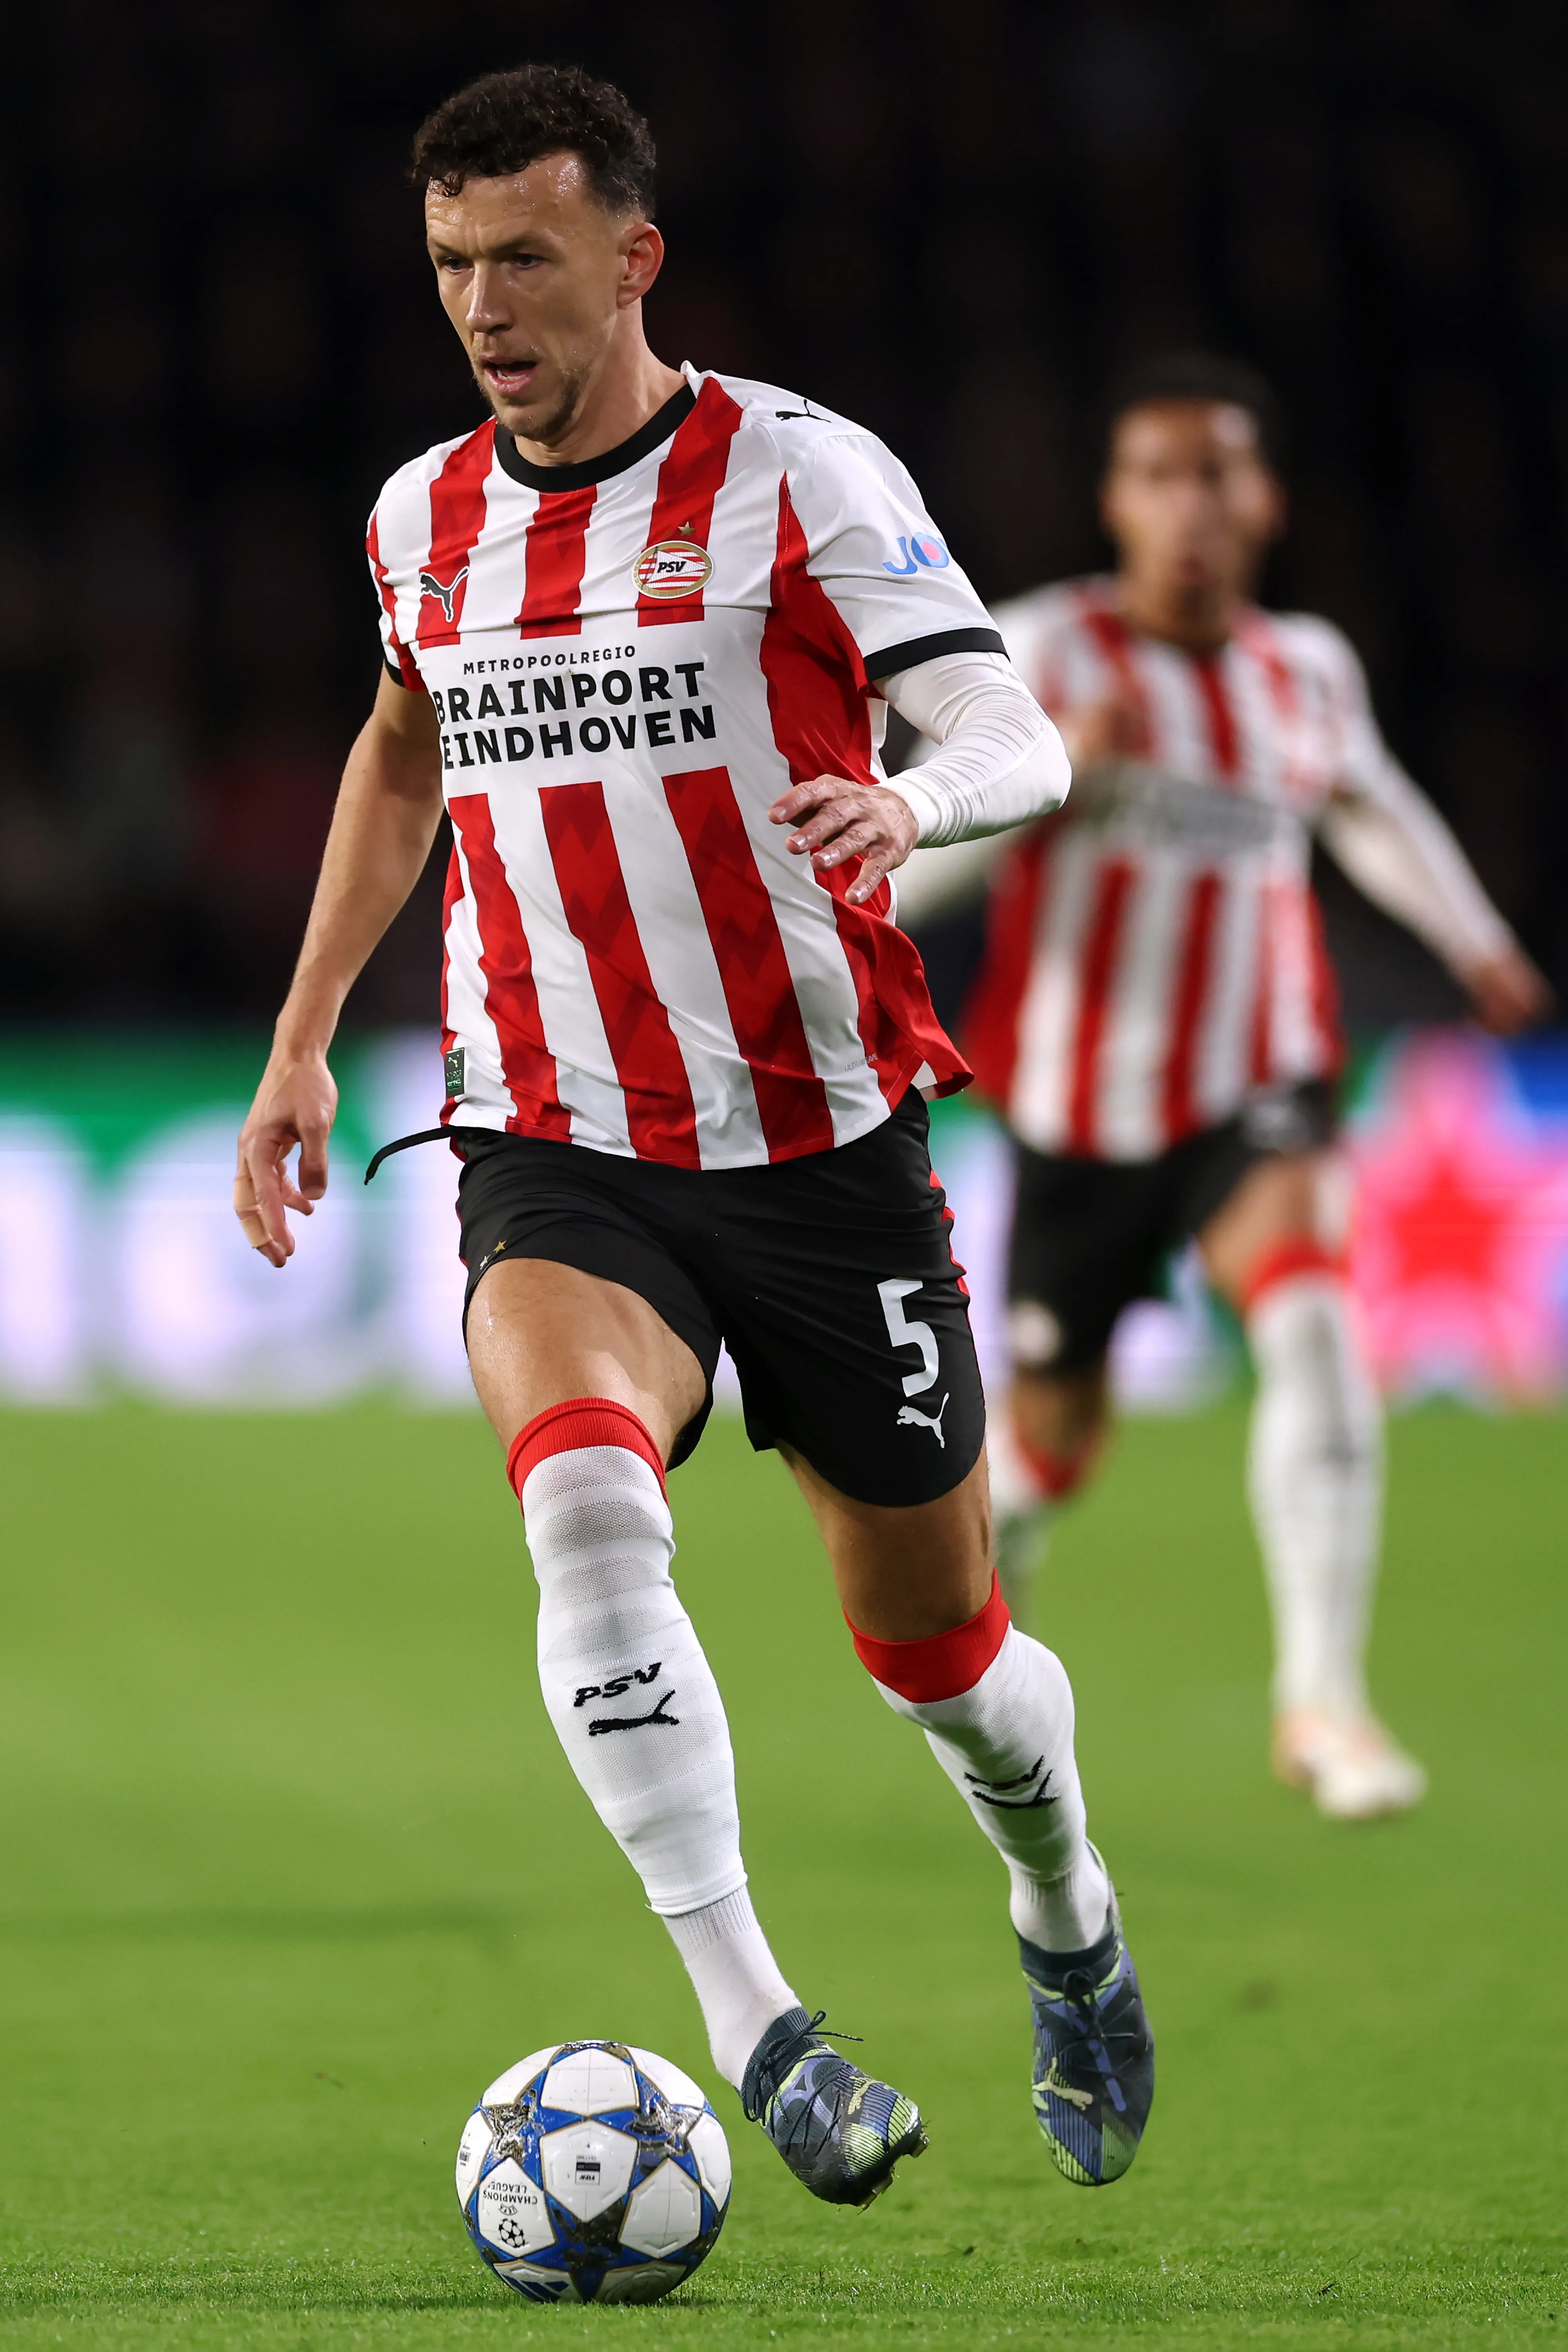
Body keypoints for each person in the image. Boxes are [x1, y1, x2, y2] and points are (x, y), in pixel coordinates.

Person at [232, 65, 1153, 2201]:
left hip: (825, 1149)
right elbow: (402, 749)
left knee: (949, 1670)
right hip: (556, 1141)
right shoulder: (416, 519)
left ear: (633, 259)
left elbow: (1007, 719)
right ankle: (761, 2027)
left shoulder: (802, 476)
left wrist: (915, 800)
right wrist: (302, 1038)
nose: (484, 303)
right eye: (453, 263)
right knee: (582, 1515)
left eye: (525, 258)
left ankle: (1067, 1911)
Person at [896, 352, 1551, 1822]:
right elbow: (909, 855)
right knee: (1050, 1445)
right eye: (1160, 474)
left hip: (1260, 1084)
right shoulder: (1039, 656)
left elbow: (1368, 802)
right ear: (1116, 501)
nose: (1191, 504)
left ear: (1263, 499)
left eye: (1218, 473)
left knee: (1318, 1327)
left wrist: (1475, 940)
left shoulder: (1304, 669)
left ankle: (1322, 1700)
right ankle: (982, 1660)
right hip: (1077, 1113)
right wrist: (1047, 778)